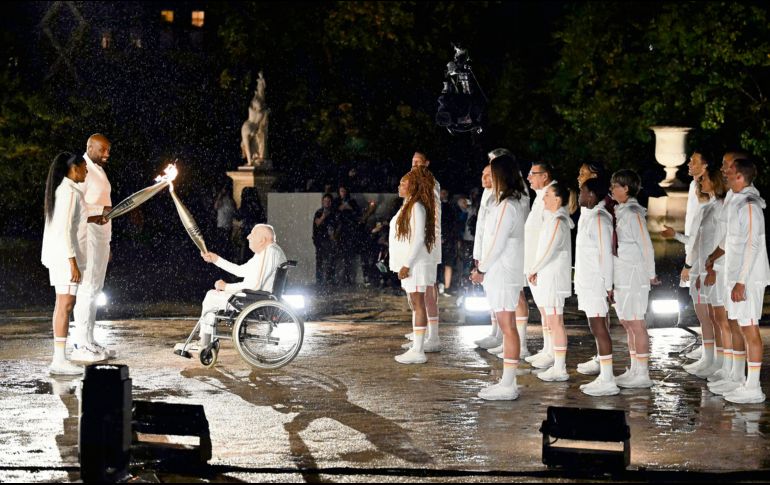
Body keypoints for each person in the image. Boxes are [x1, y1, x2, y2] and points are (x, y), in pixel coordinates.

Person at [707, 156, 770, 403]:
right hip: (736, 275)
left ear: (741, 177)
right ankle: (739, 379)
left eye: (730, 171)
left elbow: (752, 245)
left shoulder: (750, 205)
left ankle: (753, 387)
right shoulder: (737, 201)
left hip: (749, 278)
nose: (725, 174)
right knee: (740, 325)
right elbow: (732, 239)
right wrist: (714, 256)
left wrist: (742, 281)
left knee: (749, 328)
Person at [175, 224, 287, 352]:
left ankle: (204, 344)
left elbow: (255, 285)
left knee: (211, 298)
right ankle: (206, 342)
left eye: (253, 234)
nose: (248, 237)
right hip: (255, 298)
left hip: (254, 301)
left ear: (262, 240)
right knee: (212, 295)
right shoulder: (267, 252)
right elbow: (240, 271)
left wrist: (226, 287)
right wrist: (216, 259)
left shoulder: (269, 252)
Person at [471, 153, 528, 400]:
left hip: (503, 272)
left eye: (492, 173)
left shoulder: (507, 205)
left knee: (508, 327)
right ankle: (507, 381)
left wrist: (481, 270)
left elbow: (497, 243)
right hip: (501, 271)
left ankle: (508, 384)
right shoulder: (504, 203)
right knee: (507, 326)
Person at [660, 150, 712, 362]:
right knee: (701, 307)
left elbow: (702, 234)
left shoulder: (708, 193)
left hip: (704, 258)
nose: (689, 163)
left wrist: (689, 264)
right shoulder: (693, 186)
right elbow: (694, 230)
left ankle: (710, 351)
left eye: (694, 161)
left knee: (706, 308)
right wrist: (677, 236)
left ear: (706, 166)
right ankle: (707, 347)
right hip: (694, 251)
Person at [41, 152, 89, 375]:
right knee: (65, 305)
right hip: (64, 258)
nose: (86, 171)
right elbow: (64, 230)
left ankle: (59, 359)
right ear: (74, 169)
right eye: (84, 167)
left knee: (64, 304)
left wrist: (97, 218)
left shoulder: (66, 190)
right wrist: (72, 262)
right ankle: (59, 361)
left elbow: (73, 222)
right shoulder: (68, 192)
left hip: (63, 256)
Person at [610, 169, 658, 389]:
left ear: (626, 188)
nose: (611, 190)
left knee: (637, 322)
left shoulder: (633, 213)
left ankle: (643, 373)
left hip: (634, 275)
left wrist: (651, 274)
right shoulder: (620, 211)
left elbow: (646, 245)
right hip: (621, 274)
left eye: (615, 186)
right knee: (627, 322)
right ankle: (634, 368)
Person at [71, 134, 114, 362]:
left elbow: (103, 205)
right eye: (103, 150)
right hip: (86, 236)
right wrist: (99, 213)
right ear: (90, 148)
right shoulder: (82, 169)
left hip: (101, 237)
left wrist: (108, 241)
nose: (107, 154)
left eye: (109, 150)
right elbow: (76, 207)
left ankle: (89, 339)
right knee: (87, 289)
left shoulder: (99, 170)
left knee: (96, 289)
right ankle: (80, 344)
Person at [389, 167, 439, 364]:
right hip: (410, 265)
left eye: (403, 183)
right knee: (415, 304)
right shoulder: (408, 205)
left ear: (414, 186)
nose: (399, 186)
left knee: (419, 305)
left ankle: (419, 350)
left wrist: (407, 265)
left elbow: (418, 239)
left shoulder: (417, 206)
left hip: (416, 265)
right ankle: (416, 347)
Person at [574, 178, 618, 396]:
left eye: (582, 191)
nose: (579, 195)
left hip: (596, 283)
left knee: (599, 328)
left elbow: (606, 256)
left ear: (591, 195)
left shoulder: (600, 219)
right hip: (588, 282)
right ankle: (604, 375)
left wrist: (608, 285)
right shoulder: (590, 216)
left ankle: (608, 379)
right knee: (596, 327)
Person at [527, 183, 574, 382]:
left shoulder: (558, 221)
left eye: (547, 195)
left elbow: (550, 250)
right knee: (553, 321)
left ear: (558, 199)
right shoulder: (552, 219)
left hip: (554, 278)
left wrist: (534, 268)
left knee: (556, 322)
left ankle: (560, 367)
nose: (543, 198)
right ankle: (556, 362)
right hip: (548, 276)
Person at [686, 164, 729, 379]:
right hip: (705, 267)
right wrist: (697, 270)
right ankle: (715, 361)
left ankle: (725, 365)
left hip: (717, 269)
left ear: (714, 181)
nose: (701, 182)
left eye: (704, 179)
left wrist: (713, 268)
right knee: (713, 317)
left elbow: (723, 241)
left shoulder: (721, 207)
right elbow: (700, 243)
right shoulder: (710, 207)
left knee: (722, 319)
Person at [404, 151, 443, 351]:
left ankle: (432, 336)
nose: (414, 164)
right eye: (413, 161)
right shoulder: (413, 182)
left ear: (427, 163)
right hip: (417, 246)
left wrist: (428, 242)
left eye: (418, 162)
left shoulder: (430, 183)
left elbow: (432, 216)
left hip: (427, 246)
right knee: (416, 293)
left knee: (427, 291)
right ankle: (421, 330)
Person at [524, 162, 558, 368]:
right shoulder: (540, 196)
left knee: (549, 311)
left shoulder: (551, 194)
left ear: (544, 176)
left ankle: (553, 352)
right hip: (534, 262)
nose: (529, 177)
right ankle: (547, 348)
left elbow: (549, 236)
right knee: (544, 310)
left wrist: (536, 265)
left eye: (532, 174)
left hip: (542, 264)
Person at [334, 185, 360, 286]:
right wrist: (341, 208)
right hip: (340, 232)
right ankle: (339, 279)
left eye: (344, 191)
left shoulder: (352, 201)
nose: (343, 193)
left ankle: (348, 278)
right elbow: (334, 213)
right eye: (341, 191)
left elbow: (357, 213)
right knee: (340, 257)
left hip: (350, 232)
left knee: (349, 257)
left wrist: (349, 207)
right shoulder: (336, 202)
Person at [312, 193, 337, 288]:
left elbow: (336, 225)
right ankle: (319, 281)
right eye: (325, 201)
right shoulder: (319, 212)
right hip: (320, 240)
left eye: (328, 201)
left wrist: (334, 237)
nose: (326, 203)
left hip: (330, 240)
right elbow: (317, 223)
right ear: (322, 202)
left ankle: (329, 281)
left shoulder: (334, 213)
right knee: (320, 261)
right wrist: (323, 216)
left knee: (331, 260)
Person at [214, 183, 236, 260]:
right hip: (222, 225)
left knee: (225, 244)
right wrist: (220, 195)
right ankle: (222, 258)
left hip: (227, 226)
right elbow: (216, 206)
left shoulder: (231, 200)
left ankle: (225, 258)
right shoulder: (222, 200)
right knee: (222, 244)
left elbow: (234, 211)